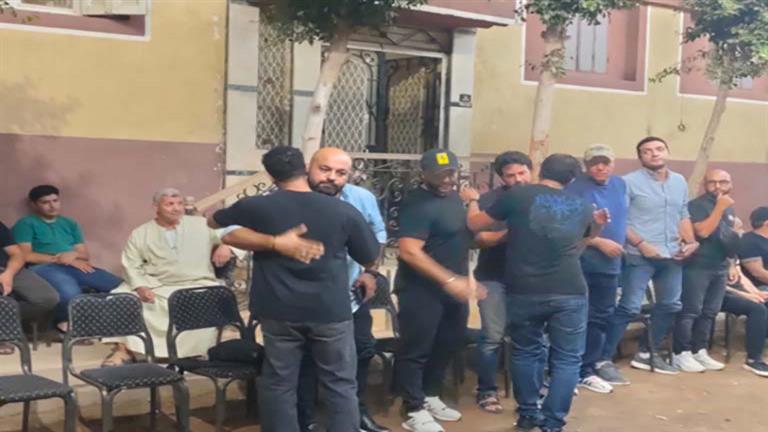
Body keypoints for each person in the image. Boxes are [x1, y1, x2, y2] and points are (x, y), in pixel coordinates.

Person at [210, 146, 380, 432]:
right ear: (305, 168)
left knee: (279, 382)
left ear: (270, 176)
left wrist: (269, 240)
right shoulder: (343, 210)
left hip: (278, 311)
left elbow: (215, 221)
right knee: (339, 384)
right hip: (330, 312)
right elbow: (369, 255)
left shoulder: (256, 207)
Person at [466, 154, 608, 432]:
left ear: (540, 170)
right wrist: (597, 225)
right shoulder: (582, 206)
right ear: (571, 179)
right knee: (567, 359)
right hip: (570, 290)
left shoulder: (517, 196)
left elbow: (474, 225)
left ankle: (528, 414)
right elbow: (581, 244)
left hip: (525, 290)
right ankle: (553, 423)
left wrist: (472, 201)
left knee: (525, 352)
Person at [297, 147, 389, 432]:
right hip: (303, 299)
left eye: (340, 173)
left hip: (350, 294)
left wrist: (371, 272)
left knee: (362, 351)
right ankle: (307, 420)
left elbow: (378, 234)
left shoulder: (361, 198)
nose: (332, 178)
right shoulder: (290, 198)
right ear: (309, 167)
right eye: (324, 169)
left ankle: (357, 415)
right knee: (306, 360)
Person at [101, 188, 234, 365]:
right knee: (120, 297)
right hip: (157, 283)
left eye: (179, 204)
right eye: (170, 204)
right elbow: (131, 264)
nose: (176, 208)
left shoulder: (202, 224)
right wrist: (140, 287)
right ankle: (123, 351)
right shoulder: (141, 233)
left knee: (204, 298)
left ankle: (193, 352)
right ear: (156, 207)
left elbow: (235, 232)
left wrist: (226, 246)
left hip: (197, 282)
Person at [394, 148, 477, 432]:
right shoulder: (416, 204)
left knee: (447, 343)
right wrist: (450, 280)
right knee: (416, 348)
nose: (447, 180)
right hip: (420, 290)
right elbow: (409, 251)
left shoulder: (454, 198)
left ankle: (430, 395)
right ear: (424, 175)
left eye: (451, 173)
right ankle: (412, 408)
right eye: (440, 175)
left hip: (453, 289)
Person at [601, 137, 698, 377]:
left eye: (659, 149)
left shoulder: (679, 181)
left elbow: (682, 214)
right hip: (639, 256)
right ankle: (602, 359)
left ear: (667, 152)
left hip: (672, 255)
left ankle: (645, 354)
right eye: (647, 151)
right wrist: (641, 244)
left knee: (671, 304)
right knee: (629, 307)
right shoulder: (628, 182)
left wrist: (691, 242)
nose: (654, 154)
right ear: (640, 157)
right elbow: (619, 220)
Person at [12, 185, 122, 333]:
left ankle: (100, 323)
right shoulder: (26, 224)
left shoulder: (70, 223)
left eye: (55, 200)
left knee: (119, 286)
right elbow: (25, 256)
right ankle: (64, 323)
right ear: (34, 205)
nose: (52, 206)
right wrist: (59, 259)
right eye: (45, 202)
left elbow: (84, 254)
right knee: (70, 293)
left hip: (74, 265)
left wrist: (73, 256)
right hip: (43, 267)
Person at [565, 144, 627, 393]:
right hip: (581, 263)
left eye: (605, 162)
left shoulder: (620, 184)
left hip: (610, 266)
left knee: (600, 317)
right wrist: (599, 242)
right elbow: (566, 228)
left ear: (613, 163)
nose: (600, 168)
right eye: (594, 163)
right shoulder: (574, 188)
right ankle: (568, 371)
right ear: (585, 165)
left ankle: (587, 370)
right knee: (576, 318)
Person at [473, 151, 532, 413]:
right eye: (511, 175)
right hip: (493, 277)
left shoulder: (540, 197)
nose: (518, 179)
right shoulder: (490, 201)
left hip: (528, 279)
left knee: (528, 337)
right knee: (492, 337)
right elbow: (480, 238)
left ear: (531, 171)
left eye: (522, 173)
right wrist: (510, 233)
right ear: (501, 178)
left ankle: (529, 392)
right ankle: (486, 390)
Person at [672, 169, 737, 372]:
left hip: (720, 266)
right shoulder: (697, 205)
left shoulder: (728, 206)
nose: (717, 186)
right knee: (690, 311)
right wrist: (719, 207)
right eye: (712, 182)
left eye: (723, 182)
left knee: (709, 312)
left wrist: (732, 263)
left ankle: (699, 350)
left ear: (730, 184)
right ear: (704, 185)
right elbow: (703, 232)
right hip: (697, 266)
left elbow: (728, 236)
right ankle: (680, 353)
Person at [0, 219, 59, 355]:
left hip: (8, 269)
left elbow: (17, 254)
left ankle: (4, 320)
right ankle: (3, 333)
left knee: (48, 298)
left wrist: (9, 274)